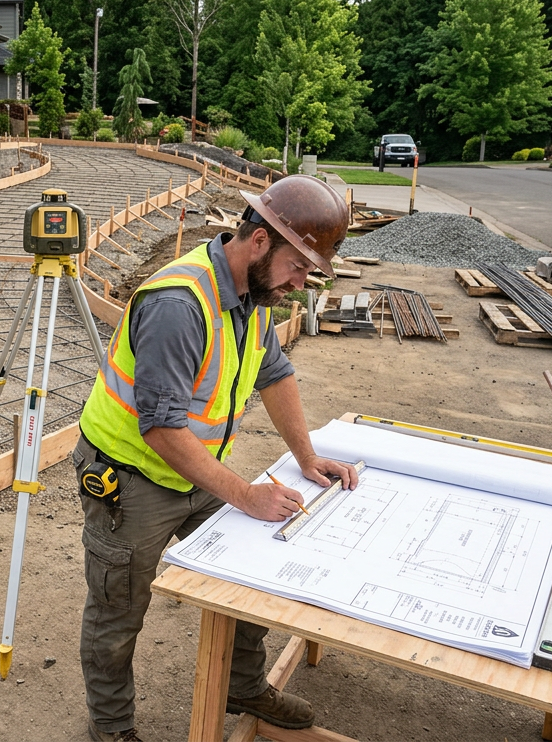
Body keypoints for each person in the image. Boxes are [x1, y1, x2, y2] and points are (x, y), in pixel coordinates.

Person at [72, 175, 361, 742]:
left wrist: (306, 456)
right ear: (260, 241)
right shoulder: (179, 305)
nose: (300, 283)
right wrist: (246, 495)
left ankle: (242, 685)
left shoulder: (255, 295)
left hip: (196, 470)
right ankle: (111, 728)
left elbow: (274, 373)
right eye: (298, 267)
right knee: (118, 610)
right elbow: (161, 428)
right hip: (130, 477)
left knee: (249, 575)